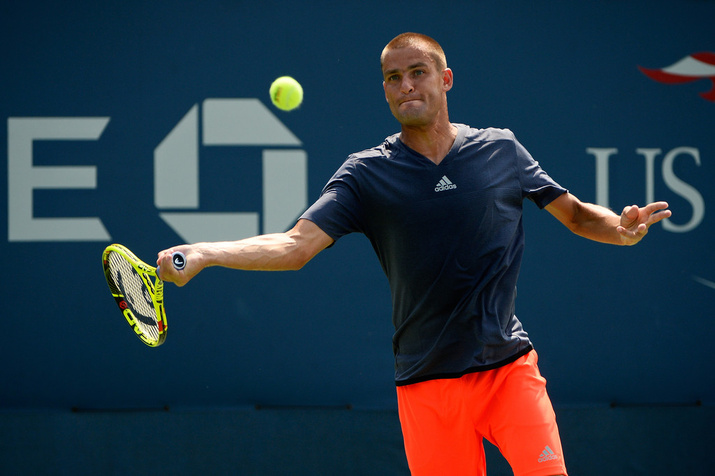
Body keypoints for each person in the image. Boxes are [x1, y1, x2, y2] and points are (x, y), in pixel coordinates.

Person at [157, 33, 671, 476]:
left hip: (507, 370)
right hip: (425, 387)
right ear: (384, 88)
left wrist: (620, 230)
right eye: (392, 77)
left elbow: (578, 214)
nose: (405, 85)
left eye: (417, 72)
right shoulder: (365, 173)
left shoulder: (501, 149)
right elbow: (295, 247)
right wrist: (204, 252)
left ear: (445, 79)